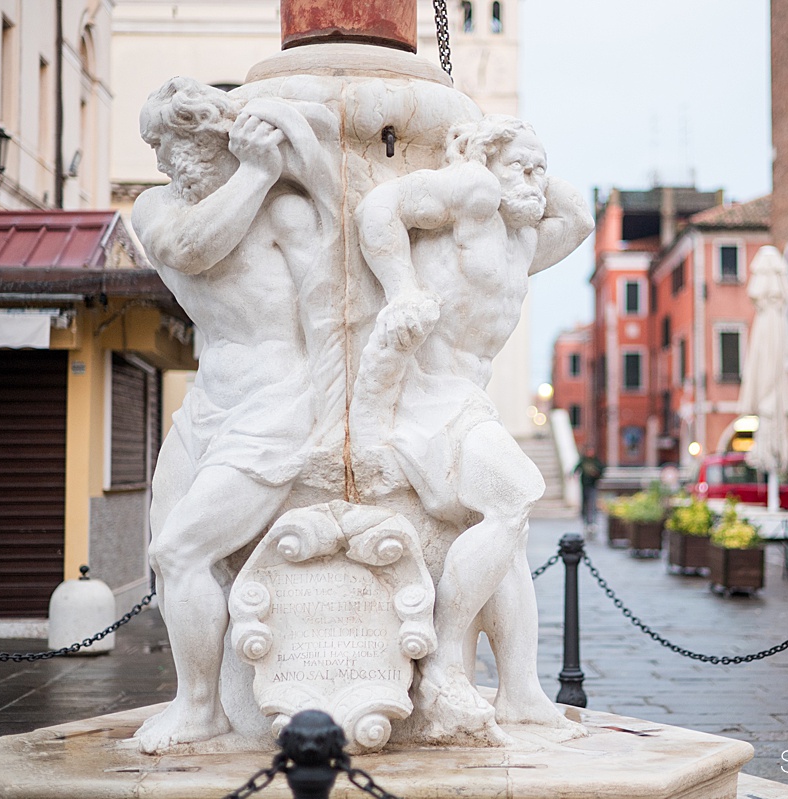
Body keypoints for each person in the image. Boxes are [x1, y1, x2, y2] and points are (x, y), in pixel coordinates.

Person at [354, 114, 593, 744]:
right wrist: (402, 290)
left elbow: (579, 217)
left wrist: (527, 171)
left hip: (466, 400)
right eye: (523, 167)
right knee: (514, 496)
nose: (536, 181)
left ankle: (520, 691)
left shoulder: (521, 238)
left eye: (542, 169)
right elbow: (378, 208)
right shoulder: (473, 194)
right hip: (423, 396)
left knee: (508, 533)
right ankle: (441, 665)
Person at [131, 78, 331, 753]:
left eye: (176, 144)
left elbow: (331, 311)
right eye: (159, 147)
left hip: (278, 403)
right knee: (170, 557)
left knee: (179, 549)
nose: (166, 161)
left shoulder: (287, 214)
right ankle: (209, 697)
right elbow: (189, 249)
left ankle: (198, 709)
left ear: (216, 137)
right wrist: (256, 172)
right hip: (207, 402)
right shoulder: (157, 207)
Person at [574, 446, 605, 529]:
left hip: (592, 485)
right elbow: (577, 468)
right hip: (584, 485)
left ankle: (592, 521)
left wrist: (596, 474)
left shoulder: (596, 461)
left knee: (592, 502)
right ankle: (586, 519)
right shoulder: (583, 461)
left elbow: (601, 470)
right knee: (585, 502)